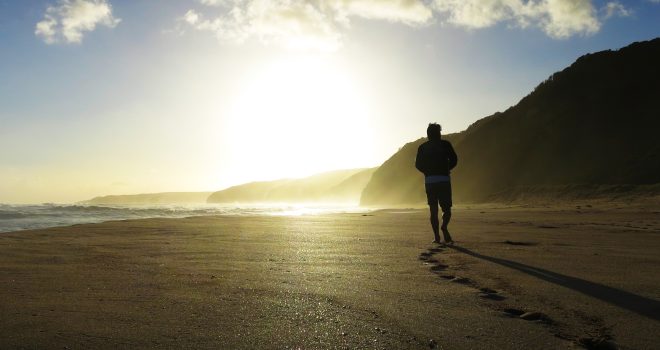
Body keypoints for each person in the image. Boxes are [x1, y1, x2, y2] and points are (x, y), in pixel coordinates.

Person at [415, 123, 458, 244]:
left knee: (433, 210)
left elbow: (418, 165)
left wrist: (427, 172)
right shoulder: (445, 144)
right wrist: (448, 168)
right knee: (447, 209)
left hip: (430, 181)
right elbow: (455, 159)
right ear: (439, 133)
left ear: (428, 134)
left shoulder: (422, 147)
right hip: (444, 179)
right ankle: (444, 227)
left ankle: (437, 237)